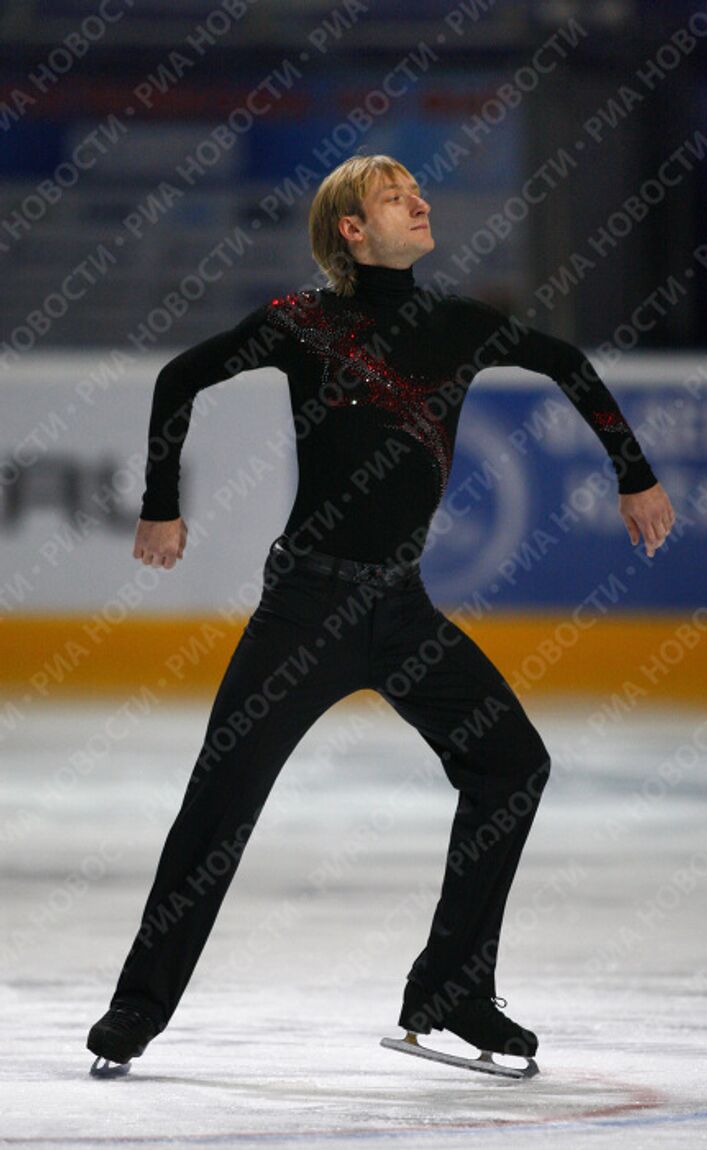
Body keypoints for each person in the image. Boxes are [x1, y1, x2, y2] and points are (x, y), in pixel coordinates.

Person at [86, 153, 675, 1074]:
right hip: (304, 611)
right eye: (394, 195)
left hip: (399, 610)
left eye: (417, 190)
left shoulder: (458, 324)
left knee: (511, 763)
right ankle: (134, 1013)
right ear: (352, 231)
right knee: (219, 807)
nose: (418, 199)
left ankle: (453, 988)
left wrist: (633, 476)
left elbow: (569, 365)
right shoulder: (301, 323)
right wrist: (162, 503)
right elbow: (179, 379)